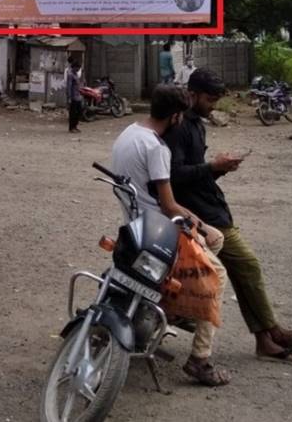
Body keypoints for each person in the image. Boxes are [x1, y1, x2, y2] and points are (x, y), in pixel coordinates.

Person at [166, 70, 292, 363]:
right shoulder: (181, 126)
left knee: (243, 270)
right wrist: (212, 167)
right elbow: (173, 177)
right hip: (203, 215)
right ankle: (271, 334)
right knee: (246, 266)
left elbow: (194, 173)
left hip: (211, 208)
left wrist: (220, 168)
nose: (213, 106)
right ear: (192, 94)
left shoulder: (197, 124)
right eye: (209, 99)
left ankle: (267, 337)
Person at [110, 84, 230, 387]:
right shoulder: (157, 148)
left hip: (133, 224)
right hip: (158, 232)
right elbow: (169, 205)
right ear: (176, 117)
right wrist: (200, 224)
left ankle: (173, 310)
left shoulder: (128, 133)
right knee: (217, 272)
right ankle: (200, 358)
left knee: (216, 240)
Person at [65, 56, 83, 134]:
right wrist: (69, 98)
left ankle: (75, 126)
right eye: (78, 68)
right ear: (74, 67)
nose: (79, 69)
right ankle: (71, 127)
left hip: (78, 96)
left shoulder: (76, 75)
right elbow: (69, 87)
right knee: (73, 113)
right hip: (73, 97)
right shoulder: (70, 74)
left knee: (79, 111)